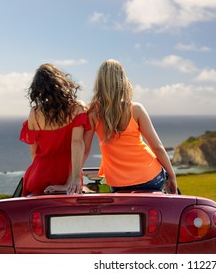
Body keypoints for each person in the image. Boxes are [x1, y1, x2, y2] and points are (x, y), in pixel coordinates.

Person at [84, 59, 178, 194]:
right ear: (123, 81)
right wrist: (172, 176)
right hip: (151, 177)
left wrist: (72, 178)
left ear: (99, 83)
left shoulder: (92, 112)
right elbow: (157, 147)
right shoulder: (136, 109)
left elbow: (85, 149)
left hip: (118, 183)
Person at [19, 63, 90, 196]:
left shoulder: (34, 113)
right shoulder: (77, 108)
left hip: (39, 174)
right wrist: (74, 179)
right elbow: (77, 142)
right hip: (68, 174)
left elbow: (34, 153)